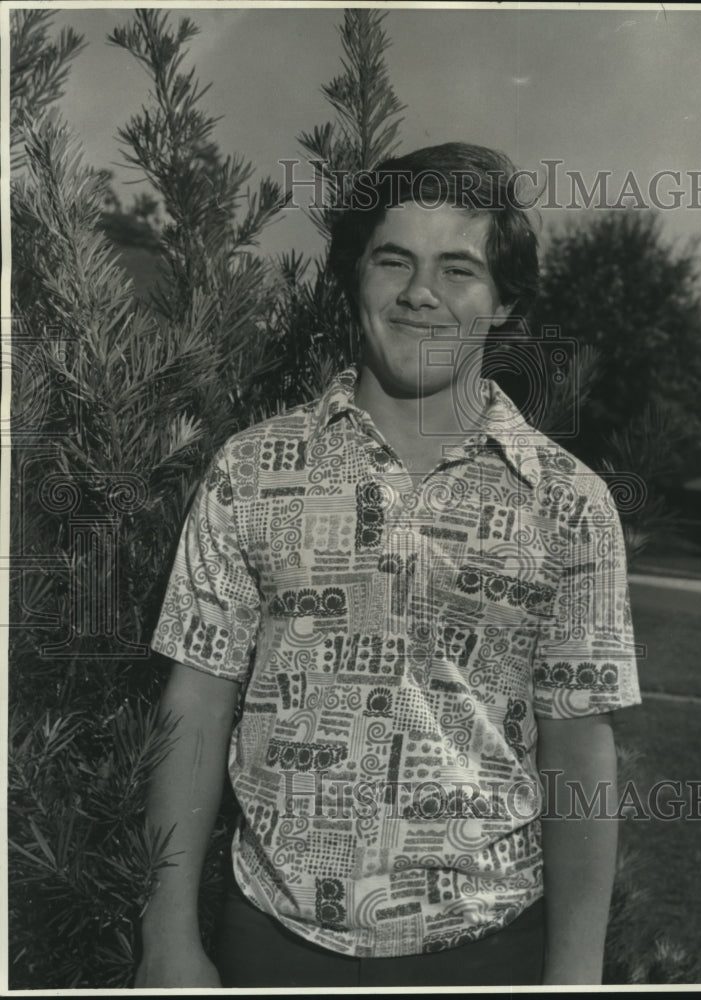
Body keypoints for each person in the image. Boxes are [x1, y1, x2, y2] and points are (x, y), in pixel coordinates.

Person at [135, 142, 641, 988]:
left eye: (459, 269)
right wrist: (166, 940)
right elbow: (195, 705)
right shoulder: (252, 472)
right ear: (353, 277)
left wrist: (577, 974)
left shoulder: (570, 503)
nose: (420, 294)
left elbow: (580, 752)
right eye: (393, 260)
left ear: (506, 301)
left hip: (491, 950)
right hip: (271, 943)